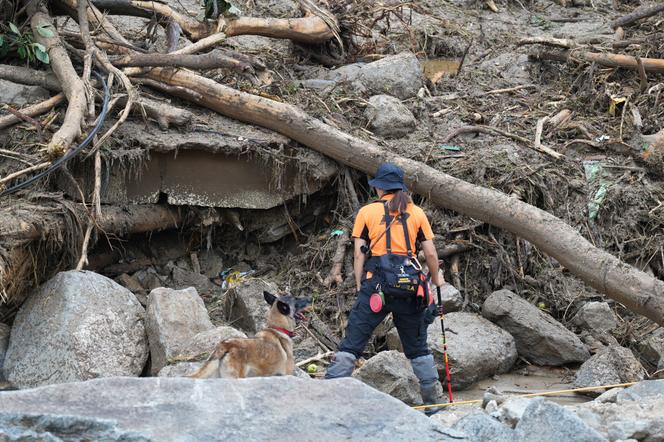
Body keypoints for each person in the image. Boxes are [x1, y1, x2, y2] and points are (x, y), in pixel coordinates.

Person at [325, 163, 447, 415]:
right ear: (400, 187)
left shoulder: (367, 212)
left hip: (375, 289)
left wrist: (361, 285)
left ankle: (328, 399)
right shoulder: (417, 213)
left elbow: (359, 253)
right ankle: (434, 405)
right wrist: (436, 281)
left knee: (352, 344)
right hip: (410, 289)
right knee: (418, 348)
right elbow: (431, 253)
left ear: (380, 187)